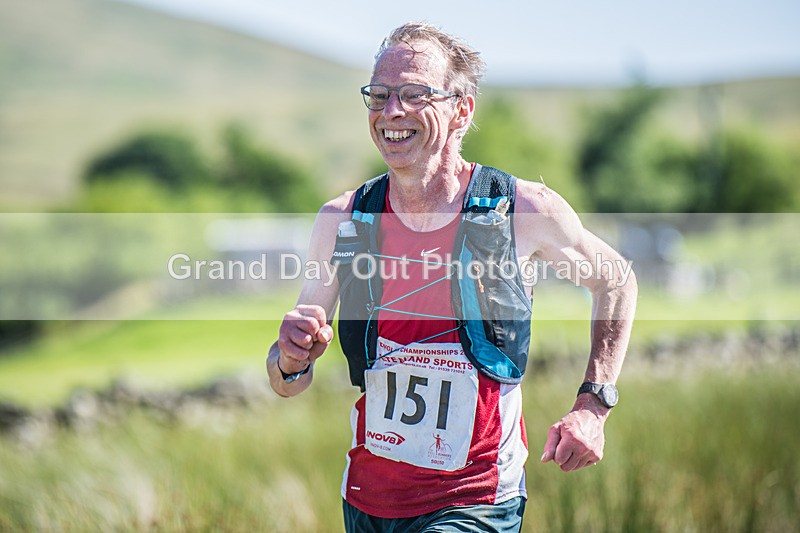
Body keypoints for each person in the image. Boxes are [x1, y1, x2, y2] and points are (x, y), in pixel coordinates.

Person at [266, 22, 637, 532]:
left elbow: (615, 280)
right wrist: (288, 357)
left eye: (414, 94)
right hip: (367, 502)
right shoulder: (343, 219)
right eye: (378, 94)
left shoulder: (521, 209)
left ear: (462, 108)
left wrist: (594, 405)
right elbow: (287, 382)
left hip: (475, 499)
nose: (391, 111)